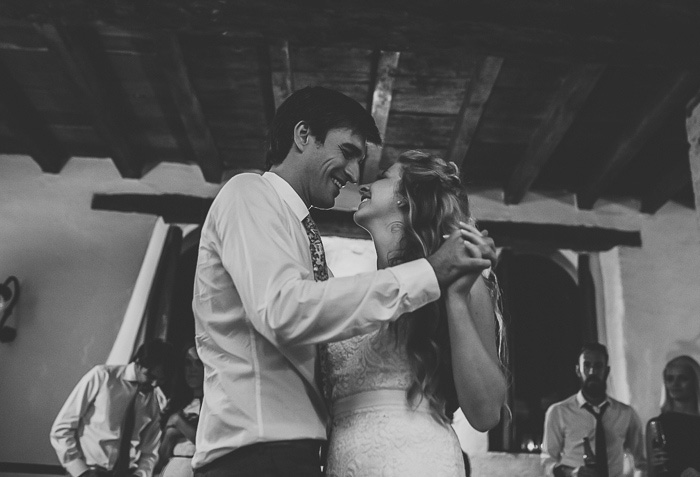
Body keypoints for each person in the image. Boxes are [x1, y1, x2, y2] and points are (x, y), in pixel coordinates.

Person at [191, 86, 495, 476]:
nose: (355, 176)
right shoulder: (250, 194)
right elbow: (284, 309)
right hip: (255, 454)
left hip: (322, 458)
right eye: (348, 153)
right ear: (303, 136)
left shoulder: (306, 244)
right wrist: (429, 272)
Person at [321, 150, 507, 476]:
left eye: (381, 178)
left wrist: (454, 299)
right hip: (344, 461)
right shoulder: (359, 293)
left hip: (420, 460)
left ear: (408, 199)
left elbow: (486, 413)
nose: (364, 185)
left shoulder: (459, 281)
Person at [50, 339, 175, 477]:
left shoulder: (158, 400)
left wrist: (140, 475)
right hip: (88, 471)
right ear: (139, 362)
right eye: (150, 376)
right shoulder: (102, 377)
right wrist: (80, 471)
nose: (154, 383)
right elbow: (61, 429)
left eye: (161, 379)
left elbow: (149, 451)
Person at [541, 343, 646, 477]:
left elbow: (641, 462)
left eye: (598, 366)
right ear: (578, 370)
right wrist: (571, 473)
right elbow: (547, 462)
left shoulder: (626, 413)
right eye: (587, 365)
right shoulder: (559, 412)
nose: (592, 371)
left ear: (606, 371)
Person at [646, 355, 700, 477]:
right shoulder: (657, 425)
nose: (675, 384)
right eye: (670, 379)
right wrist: (655, 467)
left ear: (695, 381)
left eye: (683, 378)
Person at [156, 345, 204, 476]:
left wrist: (178, 422)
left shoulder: (213, 404)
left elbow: (207, 443)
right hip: (172, 468)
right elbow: (162, 455)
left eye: (198, 363)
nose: (192, 370)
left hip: (196, 468)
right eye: (188, 363)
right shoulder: (177, 403)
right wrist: (170, 434)